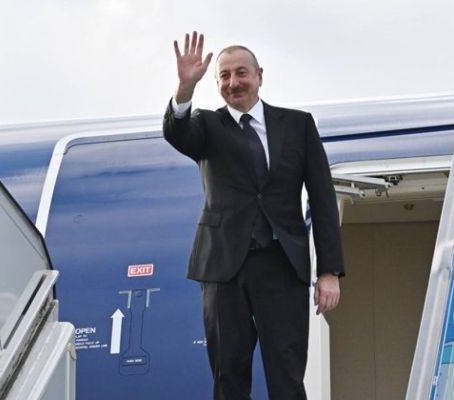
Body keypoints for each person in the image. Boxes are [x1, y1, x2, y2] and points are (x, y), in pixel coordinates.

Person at [163, 31, 345, 400]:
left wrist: (329, 271)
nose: (234, 82)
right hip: (223, 268)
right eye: (224, 76)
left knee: (288, 375)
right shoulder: (206, 126)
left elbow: (323, 199)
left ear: (259, 75)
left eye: (241, 73)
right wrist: (185, 88)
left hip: (282, 264)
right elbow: (176, 132)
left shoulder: (298, 125)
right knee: (228, 374)